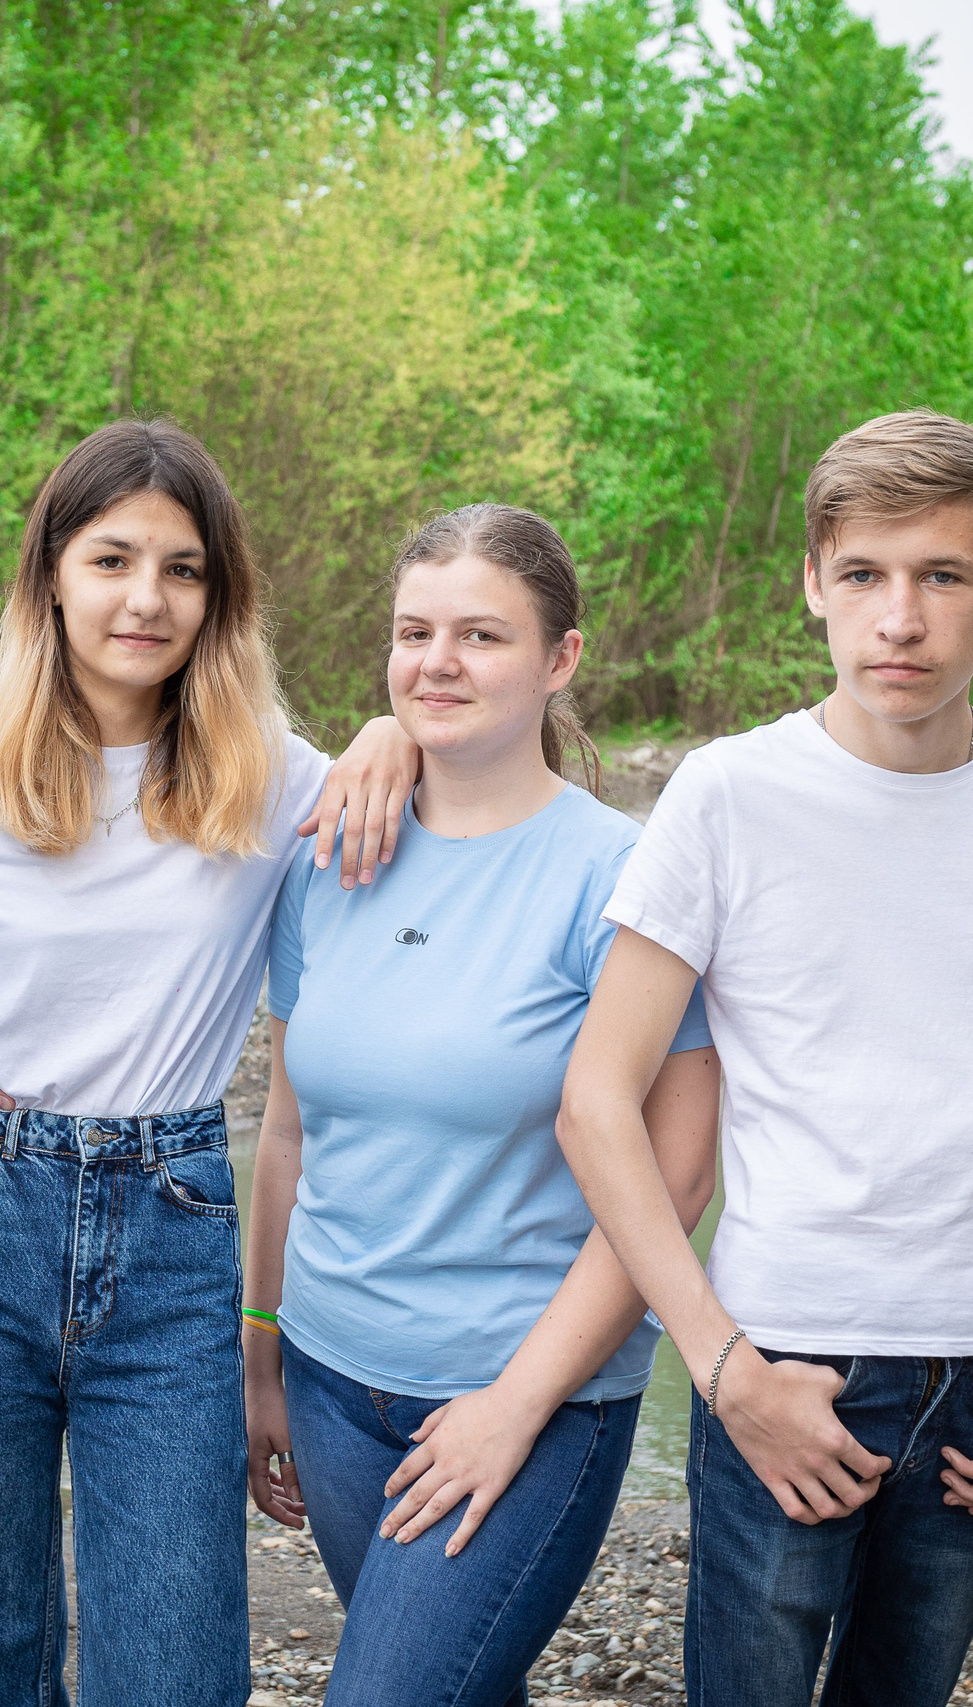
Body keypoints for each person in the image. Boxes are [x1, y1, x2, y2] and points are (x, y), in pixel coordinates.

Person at [557, 409, 973, 1706]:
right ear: (813, 583)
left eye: (943, 575)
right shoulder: (727, 793)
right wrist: (721, 1365)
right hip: (786, 1353)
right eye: (866, 574)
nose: (901, 619)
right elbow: (596, 1100)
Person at [0, 417, 420, 1707]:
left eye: (182, 569)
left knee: (173, 1661)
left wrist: (392, 732)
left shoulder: (275, 783)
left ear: (219, 599)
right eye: (111, 560)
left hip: (173, 1230)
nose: (145, 599)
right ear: (50, 576)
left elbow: (449, 827)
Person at [240, 504, 721, 1707]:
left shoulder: (625, 875)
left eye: (481, 635)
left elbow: (676, 1179)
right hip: (331, 1382)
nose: (437, 663)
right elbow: (288, 1135)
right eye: (414, 633)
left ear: (561, 658)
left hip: (532, 1397)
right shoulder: (326, 855)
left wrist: (516, 1404)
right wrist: (261, 1356)